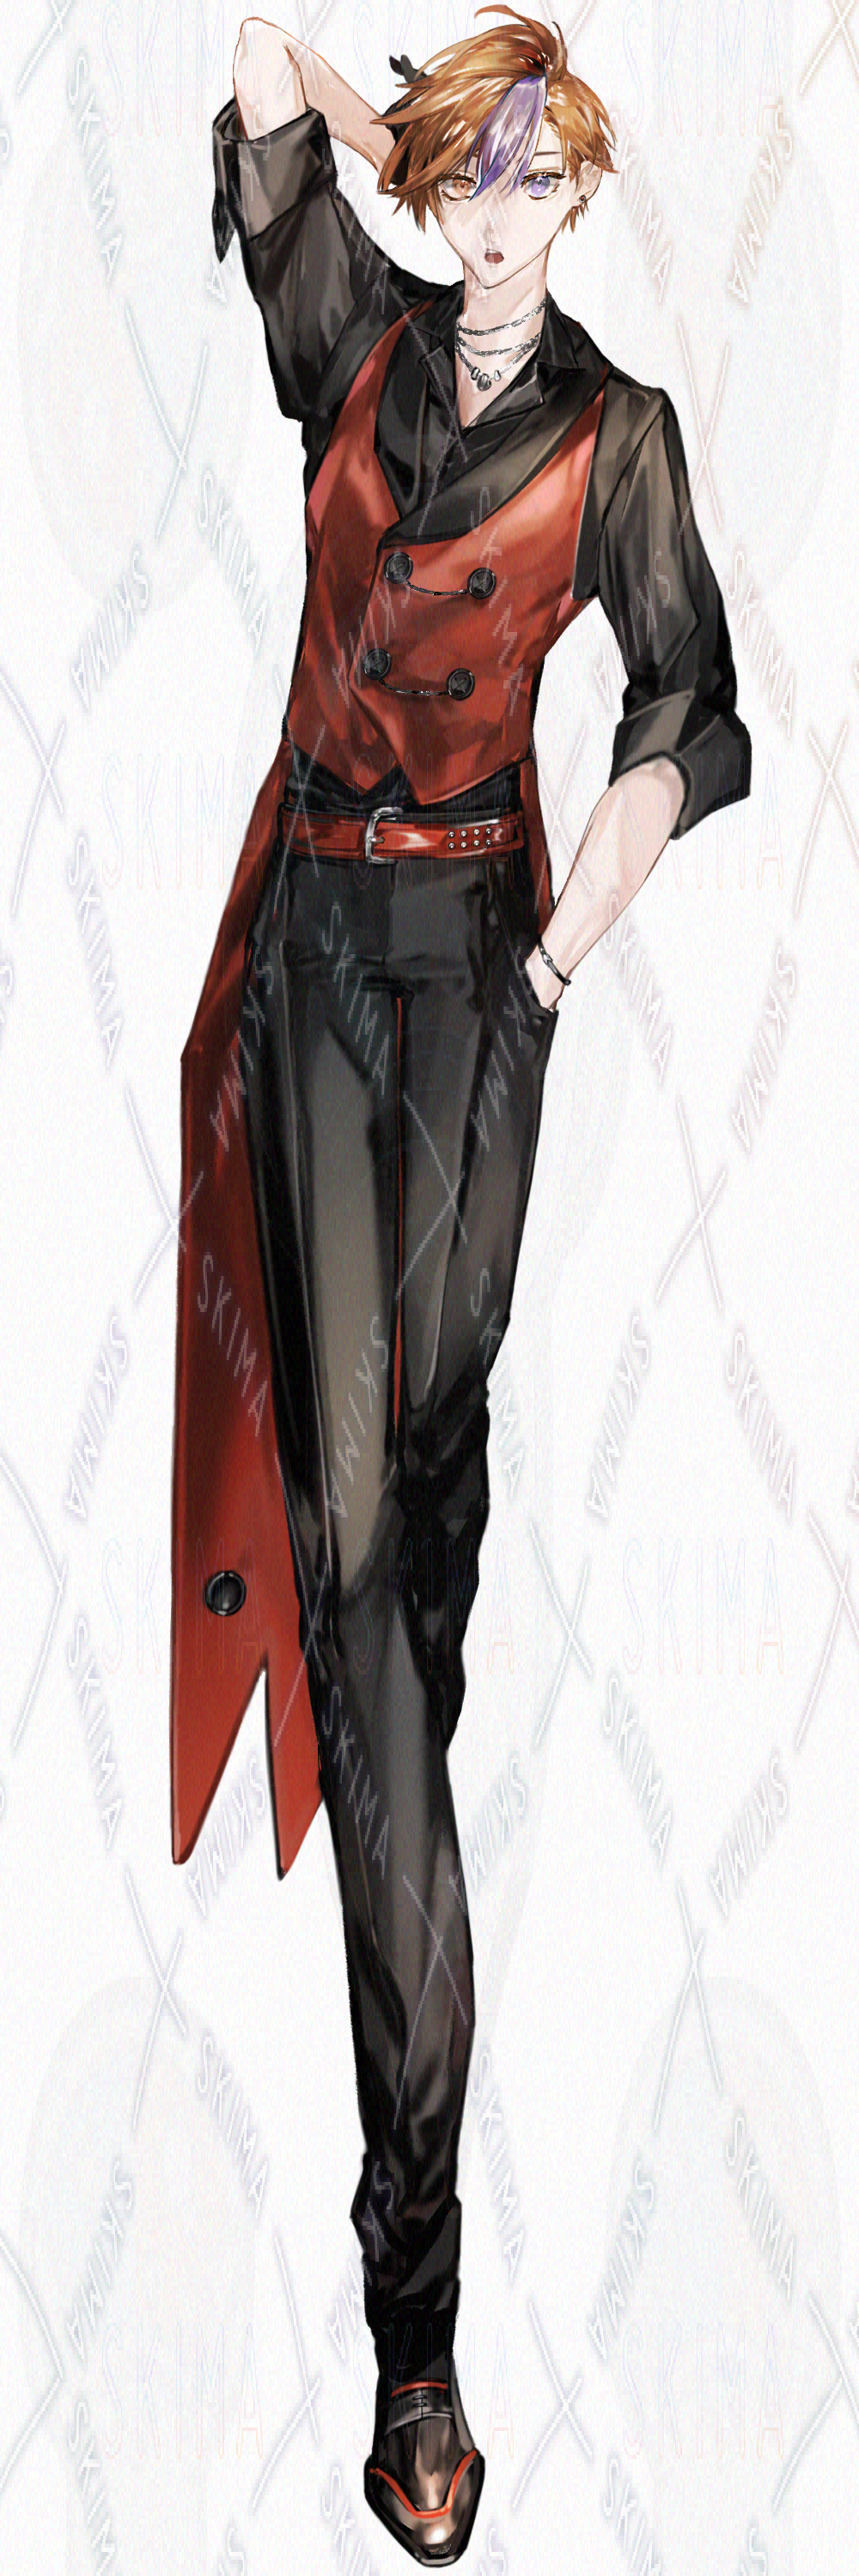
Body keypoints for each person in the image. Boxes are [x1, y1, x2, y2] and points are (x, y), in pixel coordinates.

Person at [175, 15, 753, 2563]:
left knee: (420, 1543)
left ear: (585, 194)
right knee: (357, 1570)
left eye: (540, 179)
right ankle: (416, 2327)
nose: (502, 224)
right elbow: (255, 85)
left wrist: (584, 905)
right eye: (469, 178)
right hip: (314, 963)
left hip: (481, 991)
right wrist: (329, 102)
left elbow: (697, 709)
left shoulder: (619, 438)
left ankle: (407, 2138)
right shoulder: (355, 338)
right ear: (431, 188)